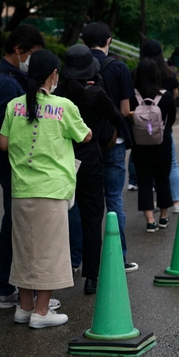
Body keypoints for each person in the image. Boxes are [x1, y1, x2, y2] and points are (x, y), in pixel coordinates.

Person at [0, 50, 92, 328]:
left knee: (25, 250)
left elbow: (3, 144)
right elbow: (85, 135)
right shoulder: (63, 105)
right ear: (53, 75)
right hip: (51, 190)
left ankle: (24, 308)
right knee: (50, 251)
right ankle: (42, 312)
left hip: (21, 190)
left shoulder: (14, 105)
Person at [0, 25, 59, 310]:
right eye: (33, 55)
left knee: (17, 226)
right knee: (17, 229)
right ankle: (6, 290)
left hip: (16, 167)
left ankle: (13, 291)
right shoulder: (7, 82)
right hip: (15, 168)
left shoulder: (13, 78)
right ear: (19, 51)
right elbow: (13, 132)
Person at [57, 44, 119, 295]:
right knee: (93, 218)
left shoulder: (56, 96)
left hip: (62, 161)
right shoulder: (96, 95)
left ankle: (63, 270)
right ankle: (91, 277)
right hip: (91, 161)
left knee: (61, 217)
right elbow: (116, 117)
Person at [82, 22, 137, 273]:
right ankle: (119, 257)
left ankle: (77, 260)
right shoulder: (118, 67)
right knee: (114, 199)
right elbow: (125, 110)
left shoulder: (74, 66)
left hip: (82, 141)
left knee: (82, 202)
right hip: (113, 140)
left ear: (84, 41)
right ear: (109, 40)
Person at [136, 40, 179, 213]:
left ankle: (149, 216)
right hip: (163, 134)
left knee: (144, 177)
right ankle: (175, 202)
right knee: (170, 167)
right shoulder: (169, 74)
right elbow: (174, 106)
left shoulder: (136, 76)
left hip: (140, 136)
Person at [131, 58, 176, 231]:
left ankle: (150, 221)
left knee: (144, 182)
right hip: (161, 145)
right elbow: (170, 120)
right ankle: (164, 217)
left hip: (140, 147)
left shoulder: (133, 97)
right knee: (162, 181)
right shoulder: (166, 97)